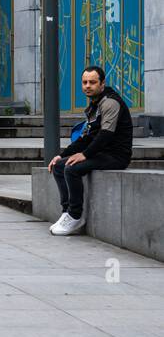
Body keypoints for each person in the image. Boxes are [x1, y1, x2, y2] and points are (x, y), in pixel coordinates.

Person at [47, 65, 134, 236]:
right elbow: (85, 138)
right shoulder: (95, 105)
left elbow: (105, 135)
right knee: (59, 166)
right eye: (85, 82)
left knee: (72, 169)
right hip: (101, 153)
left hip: (116, 156)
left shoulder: (110, 102)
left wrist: (84, 155)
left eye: (92, 82)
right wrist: (61, 155)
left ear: (102, 84)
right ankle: (66, 213)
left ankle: (75, 215)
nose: (87, 85)